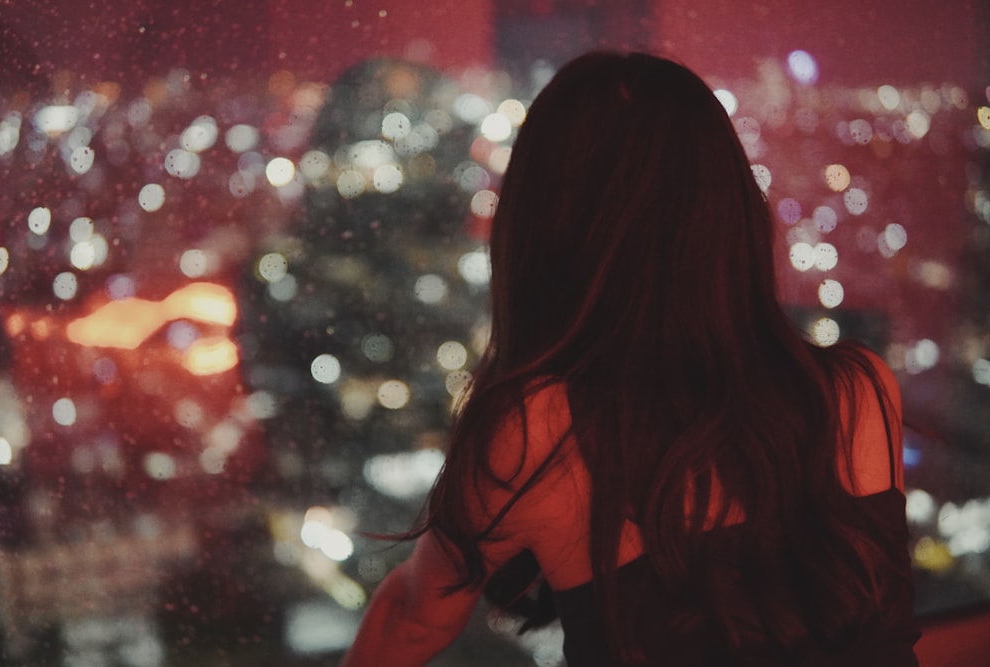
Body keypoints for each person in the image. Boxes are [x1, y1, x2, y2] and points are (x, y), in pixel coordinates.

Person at [339, 51, 920, 666]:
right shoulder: (862, 391)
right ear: (732, 211)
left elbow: (411, 619)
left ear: (541, 229)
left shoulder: (538, 432)